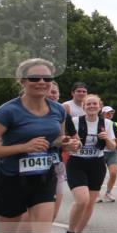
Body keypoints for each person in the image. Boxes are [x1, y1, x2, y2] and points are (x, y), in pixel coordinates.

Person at [0, 59, 79, 233]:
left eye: (47, 78)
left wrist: (67, 144)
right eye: (34, 78)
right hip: (12, 179)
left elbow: (57, 139)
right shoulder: (8, 111)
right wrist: (24, 147)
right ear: (22, 81)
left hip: (43, 178)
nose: (41, 81)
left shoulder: (57, 110)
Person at [62, 94, 115, 233]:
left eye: (94, 104)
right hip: (77, 163)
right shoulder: (75, 122)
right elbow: (65, 143)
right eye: (88, 104)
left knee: (90, 203)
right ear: (83, 107)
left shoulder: (107, 123)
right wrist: (72, 143)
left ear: (99, 107)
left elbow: (112, 147)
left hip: (96, 164)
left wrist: (106, 138)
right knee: (82, 200)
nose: (92, 106)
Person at [47, 82, 70, 220]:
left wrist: (73, 143)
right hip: (28, 171)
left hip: (56, 165)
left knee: (51, 217)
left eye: (55, 92)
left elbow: (63, 139)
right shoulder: (18, 110)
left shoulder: (60, 112)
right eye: (48, 91)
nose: (51, 95)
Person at [99, 106, 117, 202]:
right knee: (99, 175)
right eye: (107, 113)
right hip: (100, 152)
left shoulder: (116, 124)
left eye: (111, 113)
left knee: (113, 173)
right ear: (102, 114)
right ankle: (96, 193)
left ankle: (108, 193)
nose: (110, 115)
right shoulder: (98, 123)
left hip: (112, 152)